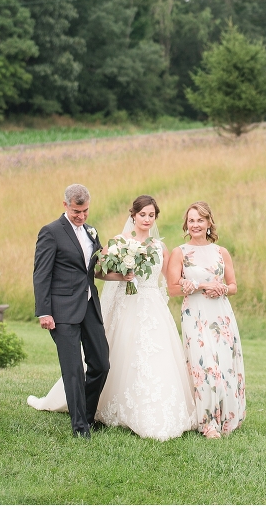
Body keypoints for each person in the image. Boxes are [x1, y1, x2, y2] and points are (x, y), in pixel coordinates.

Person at [29, 195, 197, 441]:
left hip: (152, 306)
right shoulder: (119, 241)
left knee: (144, 358)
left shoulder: (159, 247)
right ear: (133, 215)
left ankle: (136, 411)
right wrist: (122, 276)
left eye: (151, 215)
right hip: (123, 305)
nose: (147, 219)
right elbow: (97, 270)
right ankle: (83, 421)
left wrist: (194, 282)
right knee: (111, 356)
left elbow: (172, 278)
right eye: (142, 214)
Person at [31, 182, 131, 439]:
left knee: (101, 363)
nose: (82, 216)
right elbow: (41, 274)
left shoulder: (90, 232)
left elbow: (95, 269)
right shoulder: (51, 232)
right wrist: (44, 311)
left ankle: (87, 414)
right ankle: (79, 427)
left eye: (85, 210)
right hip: (61, 310)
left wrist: (122, 272)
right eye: (77, 211)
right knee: (73, 369)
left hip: (88, 305)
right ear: (65, 205)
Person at [167, 200, 246, 438]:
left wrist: (222, 288)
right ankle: (208, 424)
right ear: (186, 224)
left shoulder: (221, 252)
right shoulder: (180, 252)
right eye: (191, 220)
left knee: (224, 367)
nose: (195, 225)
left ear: (209, 222)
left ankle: (227, 418)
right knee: (205, 367)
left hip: (221, 315)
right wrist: (201, 285)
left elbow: (233, 286)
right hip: (195, 315)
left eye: (200, 220)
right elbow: (173, 288)